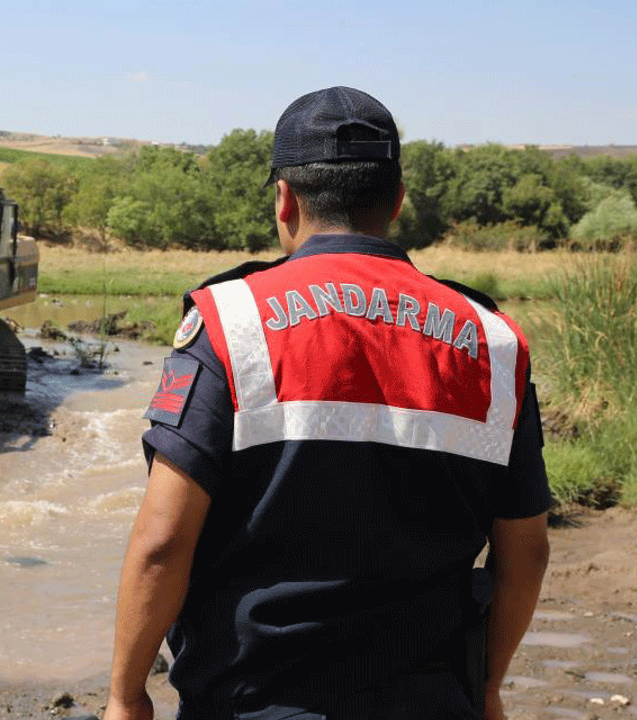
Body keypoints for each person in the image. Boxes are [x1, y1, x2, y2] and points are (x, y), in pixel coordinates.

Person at [104, 87, 551, 720]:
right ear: (396, 200)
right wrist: (489, 687)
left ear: (284, 199)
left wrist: (125, 697)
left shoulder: (231, 324)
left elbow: (162, 541)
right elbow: (526, 551)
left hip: (254, 703)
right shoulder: (492, 341)